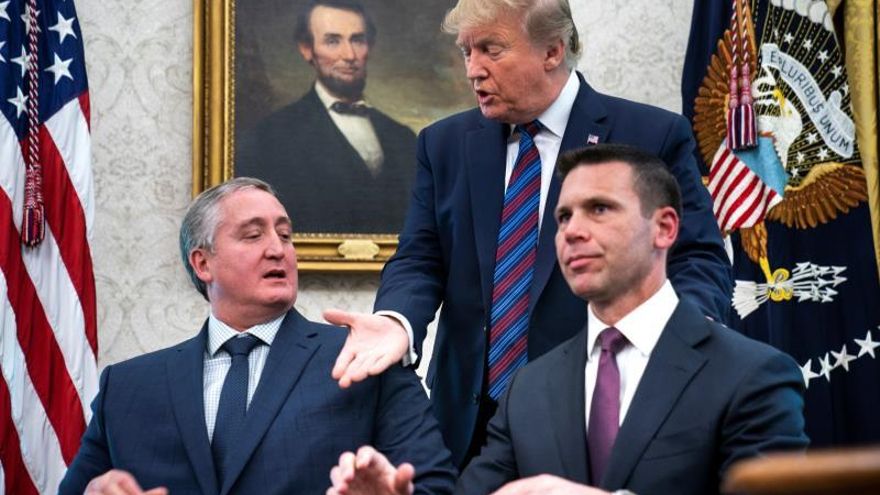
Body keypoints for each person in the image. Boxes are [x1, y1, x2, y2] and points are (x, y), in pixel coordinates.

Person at [325, 0, 734, 468]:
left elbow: (697, 258)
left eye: (490, 50)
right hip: (466, 423)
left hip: (596, 409)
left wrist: (678, 337)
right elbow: (421, 258)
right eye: (466, 52)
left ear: (552, 51)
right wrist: (397, 320)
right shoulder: (443, 144)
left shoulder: (650, 134)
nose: (473, 70)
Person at [326, 144, 808, 495]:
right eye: (562, 217)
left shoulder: (753, 375)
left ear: (664, 228)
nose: (572, 231)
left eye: (599, 209)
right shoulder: (528, 389)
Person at [58, 178, 455, 495]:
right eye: (253, 235)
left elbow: (434, 485)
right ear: (203, 263)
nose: (277, 249)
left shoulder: (363, 359)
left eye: (284, 235)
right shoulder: (127, 386)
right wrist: (94, 489)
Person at [236, 0, 416, 234]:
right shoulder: (270, 138)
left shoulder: (403, 137)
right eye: (333, 41)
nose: (349, 54)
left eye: (357, 40)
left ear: (369, 47)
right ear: (306, 49)